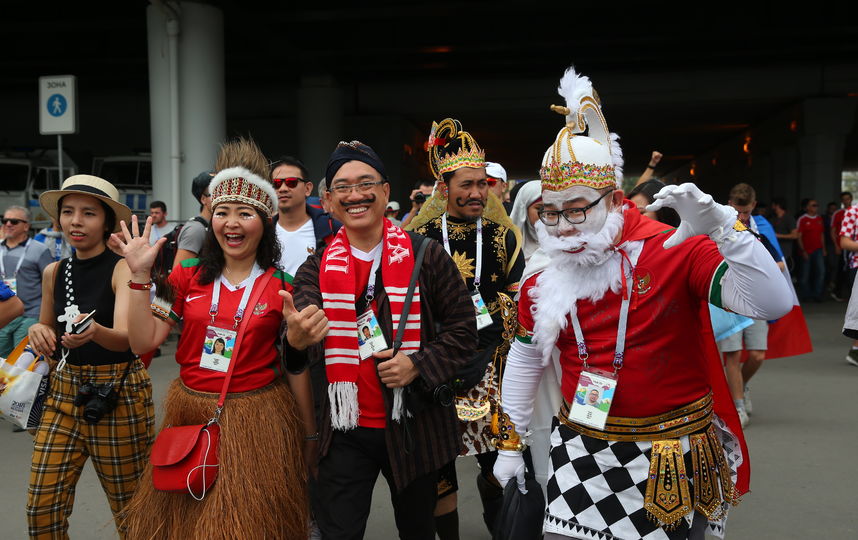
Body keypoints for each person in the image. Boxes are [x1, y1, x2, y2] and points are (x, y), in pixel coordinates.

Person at [492, 67, 792, 540]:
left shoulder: (674, 247)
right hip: (580, 447)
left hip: (672, 452)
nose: (564, 226)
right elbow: (529, 356)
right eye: (551, 212)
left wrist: (723, 227)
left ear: (613, 200)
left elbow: (772, 303)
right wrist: (510, 441)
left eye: (577, 208)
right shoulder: (543, 274)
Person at [113, 138, 314, 539]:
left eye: (245, 213)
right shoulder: (186, 276)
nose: (232, 223)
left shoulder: (284, 287)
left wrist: (308, 435)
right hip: (191, 415)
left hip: (258, 420)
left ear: (266, 221)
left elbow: (295, 366)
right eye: (222, 212)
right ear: (211, 217)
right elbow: (143, 342)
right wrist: (138, 277)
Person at [289, 140, 476, 540]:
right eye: (342, 187)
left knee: (418, 530)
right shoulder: (317, 266)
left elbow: (464, 331)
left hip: (413, 424)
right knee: (338, 533)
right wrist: (295, 335)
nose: (355, 195)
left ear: (386, 192)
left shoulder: (427, 256)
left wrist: (418, 364)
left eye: (365, 183)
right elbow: (298, 334)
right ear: (328, 200)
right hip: (342, 429)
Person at [409, 118, 524, 538]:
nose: (477, 192)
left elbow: (518, 301)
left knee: (502, 467)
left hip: (493, 367)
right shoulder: (416, 238)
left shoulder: (502, 237)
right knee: (439, 473)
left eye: (483, 183)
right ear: (443, 187)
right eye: (467, 184)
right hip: (436, 367)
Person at [25, 175, 153, 539]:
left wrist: (94, 332)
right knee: (41, 511)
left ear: (108, 222)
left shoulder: (122, 268)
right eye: (68, 212)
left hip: (119, 394)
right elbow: (48, 336)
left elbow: (129, 340)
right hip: (64, 395)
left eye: (88, 213)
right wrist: (39, 332)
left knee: (133, 513)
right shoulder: (55, 272)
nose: (76, 221)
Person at [717, 183, 784, 428]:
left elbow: (780, 264)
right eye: (738, 211)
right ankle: (737, 405)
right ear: (729, 205)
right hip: (728, 302)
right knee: (732, 355)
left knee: (757, 354)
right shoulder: (717, 227)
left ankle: (741, 388)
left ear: (753, 206)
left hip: (755, 301)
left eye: (746, 212)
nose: (742, 217)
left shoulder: (760, 230)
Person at [270, 155, 340, 278]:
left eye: (291, 182)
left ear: (307, 189)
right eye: (277, 184)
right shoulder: (261, 232)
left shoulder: (333, 228)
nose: (283, 189)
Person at [0, 205, 53, 357]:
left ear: (26, 226)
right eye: (5, 220)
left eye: (14, 221)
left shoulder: (39, 249)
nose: (8, 224)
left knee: (22, 362)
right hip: (5, 315)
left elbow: (49, 283)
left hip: (31, 315)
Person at [173, 170, 214, 269]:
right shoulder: (196, 230)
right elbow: (179, 276)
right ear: (203, 199)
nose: (220, 198)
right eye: (213, 193)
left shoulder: (212, 226)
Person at [797, 199, 826, 301]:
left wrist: (824, 249)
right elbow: (799, 236)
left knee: (821, 272)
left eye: (817, 205)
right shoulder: (802, 219)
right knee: (805, 275)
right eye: (813, 205)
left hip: (818, 250)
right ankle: (806, 295)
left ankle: (817, 295)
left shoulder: (819, 218)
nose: (816, 207)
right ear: (807, 207)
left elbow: (821, 234)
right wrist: (803, 250)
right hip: (806, 251)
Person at [769, 196, 798, 269]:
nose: (771, 207)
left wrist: (779, 236)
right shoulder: (772, 218)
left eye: (773, 205)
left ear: (777, 205)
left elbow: (795, 235)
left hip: (785, 253)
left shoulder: (789, 218)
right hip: (772, 252)